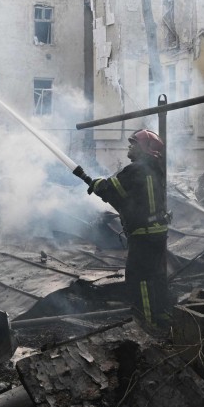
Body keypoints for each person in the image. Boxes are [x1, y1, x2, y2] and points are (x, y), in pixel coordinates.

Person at [86, 128, 171, 328]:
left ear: (144, 147)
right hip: (157, 231)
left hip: (144, 234)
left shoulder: (136, 169)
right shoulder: (155, 169)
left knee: (139, 278)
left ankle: (147, 321)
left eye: (134, 143)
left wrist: (97, 183)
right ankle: (162, 314)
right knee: (156, 275)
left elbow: (110, 188)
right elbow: (126, 197)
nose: (130, 146)